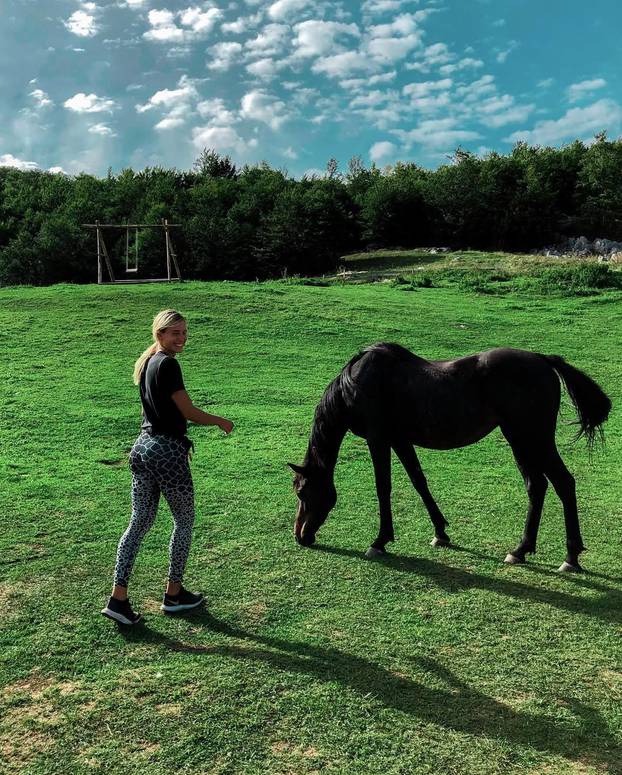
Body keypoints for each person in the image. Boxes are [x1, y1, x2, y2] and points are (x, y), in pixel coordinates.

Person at [101, 309, 233, 625]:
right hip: (167, 453)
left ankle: (118, 599)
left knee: (139, 522)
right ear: (159, 334)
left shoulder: (148, 363)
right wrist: (220, 421)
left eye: (185, 333)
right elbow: (187, 411)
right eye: (175, 333)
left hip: (142, 448)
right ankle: (173, 595)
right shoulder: (168, 364)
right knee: (184, 521)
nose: (182, 339)